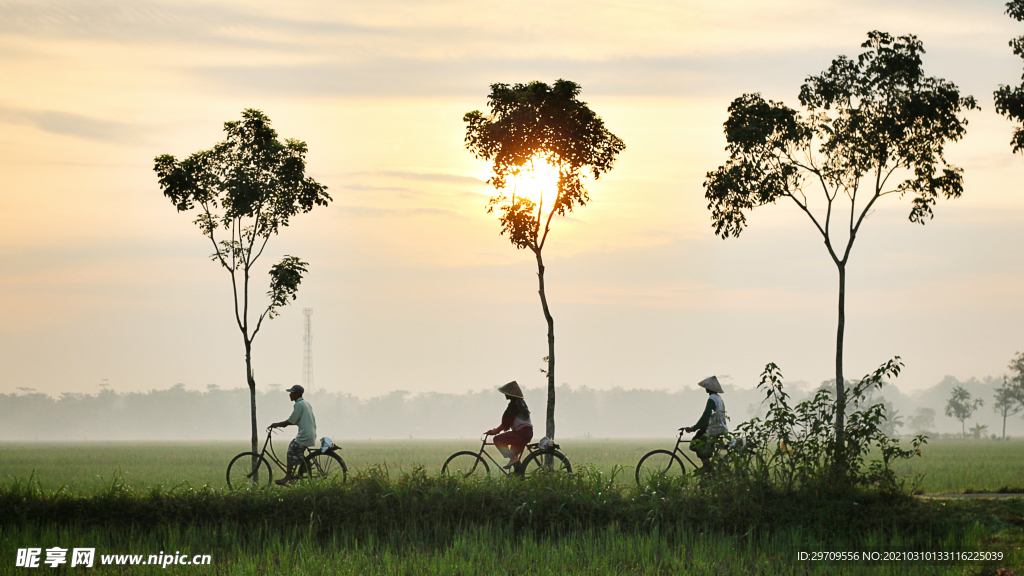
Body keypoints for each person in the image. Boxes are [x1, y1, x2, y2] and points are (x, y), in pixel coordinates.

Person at [268, 384, 317, 486]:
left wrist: (277, 425)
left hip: (305, 435)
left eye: (291, 393)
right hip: (309, 433)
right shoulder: (305, 403)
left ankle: (288, 476)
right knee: (294, 447)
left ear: (297, 394)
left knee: (291, 451)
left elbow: (292, 420)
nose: (290, 395)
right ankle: (306, 463)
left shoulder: (299, 405)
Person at [485, 381, 533, 472]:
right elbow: (507, 422)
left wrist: (496, 431)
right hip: (526, 433)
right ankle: (519, 477)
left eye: (506, 393)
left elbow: (507, 422)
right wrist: (497, 429)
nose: (505, 395)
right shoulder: (519, 403)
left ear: (511, 394)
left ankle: (514, 459)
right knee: (514, 459)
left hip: (521, 433)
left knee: (497, 440)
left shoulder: (514, 405)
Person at [682, 376, 728, 472]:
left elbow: (706, 416)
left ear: (708, 389)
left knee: (695, 443)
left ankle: (707, 465)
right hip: (720, 427)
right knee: (700, 435)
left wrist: (693, 428)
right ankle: (708, 466)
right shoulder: (719, 398)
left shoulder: (712, 399)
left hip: (714, 429)